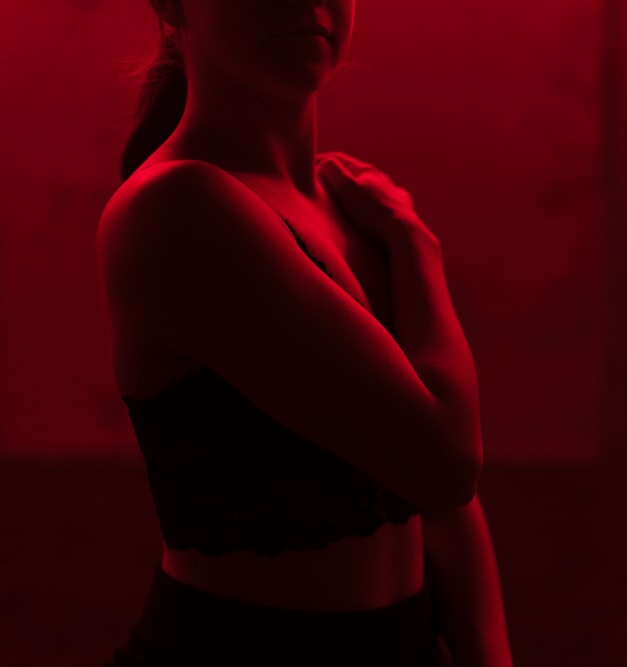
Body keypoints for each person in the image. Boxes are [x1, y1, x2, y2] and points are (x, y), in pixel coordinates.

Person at [96, 1, 513, 665]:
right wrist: (417, 248)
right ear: (172, 6)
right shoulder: (178, 208)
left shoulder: (345, 205)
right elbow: (445, 460)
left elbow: (440, 505)